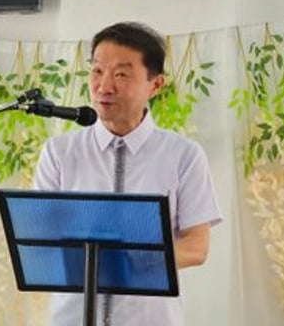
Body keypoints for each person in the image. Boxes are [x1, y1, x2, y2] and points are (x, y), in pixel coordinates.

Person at [34, 22, 222, 326]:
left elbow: (196, 247)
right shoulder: (59, 153)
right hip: (72, 318)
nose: (104, 86)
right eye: (97, 71)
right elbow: (41, 240)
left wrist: (133, 262)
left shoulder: (184, 155)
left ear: (155, 85)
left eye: (121, 74)